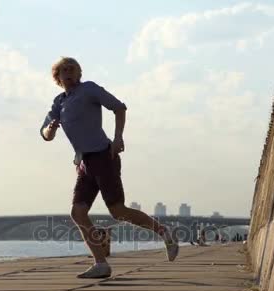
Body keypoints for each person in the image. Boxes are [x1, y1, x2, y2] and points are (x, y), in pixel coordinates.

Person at [40, 57, 178, 278]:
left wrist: (118, 138)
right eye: (63, 70)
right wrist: (51, 129)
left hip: (104, 156)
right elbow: (45, 134)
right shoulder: (59, 103)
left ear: (78, 73)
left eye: (72, 69)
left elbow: (119, 108)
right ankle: (101, 263)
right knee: (78, 213)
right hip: (84, 163)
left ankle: (164, 232)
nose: (68, 73)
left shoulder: (89, 89)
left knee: (118, 211)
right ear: (57, 78)